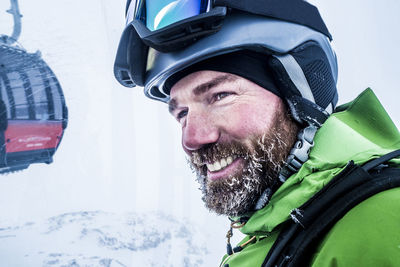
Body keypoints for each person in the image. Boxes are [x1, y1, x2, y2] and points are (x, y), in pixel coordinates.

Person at [114, 0, 400, 266]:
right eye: (182, 113)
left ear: (301, 95)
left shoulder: (383, 220)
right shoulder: (278, 231)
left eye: (220, 95)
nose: (191, 139)